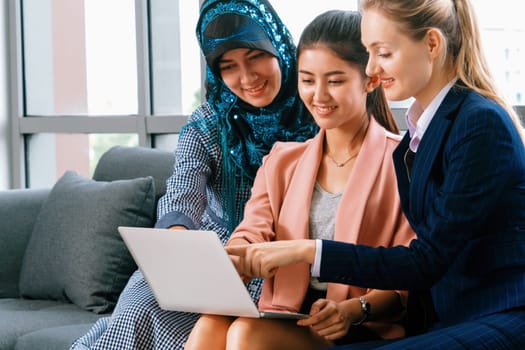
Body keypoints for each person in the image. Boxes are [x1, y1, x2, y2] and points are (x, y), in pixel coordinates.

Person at [224, 0, 525, 349]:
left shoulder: (478, 123)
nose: (372, 68)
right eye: (368, 53)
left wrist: (310, 252)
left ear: (431, 44)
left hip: (499, 312)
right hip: (451, 318)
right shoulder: (424, 133)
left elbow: (424, 261)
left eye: (382, 53)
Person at [69, 0, 317, 349]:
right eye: (228, 66)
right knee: (140, 306)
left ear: (276, 44)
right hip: (209, 262)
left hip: (281, 266)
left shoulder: (318, 110)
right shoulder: (209, 123)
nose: (246, 78)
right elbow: (182, 191)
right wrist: (177, 239)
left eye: (255, 56)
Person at [185, 10, 415, 350]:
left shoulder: (404, 163)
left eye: (334, 81)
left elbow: (407, 275)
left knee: (246, 334)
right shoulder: (282, 160)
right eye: (307, 80)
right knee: (210, 325)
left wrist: (352, 310)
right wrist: (237, 258)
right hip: (287, 314)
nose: (318, 96)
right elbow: (251, 232)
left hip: (355, 322)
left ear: (370, 80)